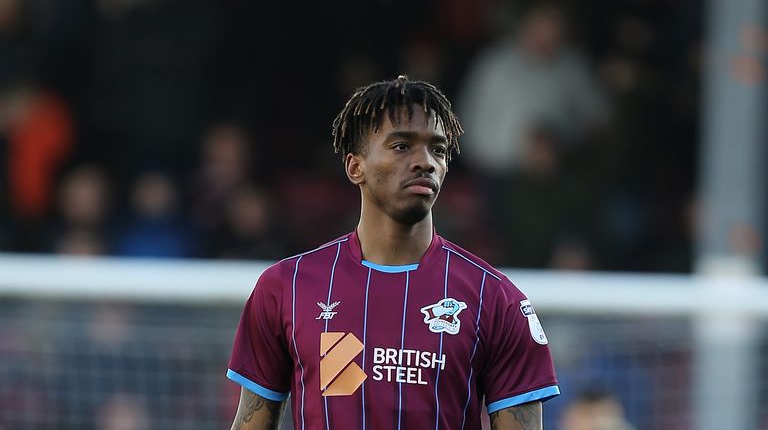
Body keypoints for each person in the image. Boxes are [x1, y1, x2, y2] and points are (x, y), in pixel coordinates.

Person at [226, 76, 559, 430]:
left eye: (439, 150)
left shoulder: (496, 299)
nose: (425, 162)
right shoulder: (286, 287)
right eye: (402, 146)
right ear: (356, 167)